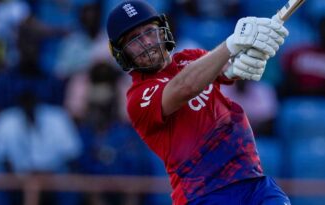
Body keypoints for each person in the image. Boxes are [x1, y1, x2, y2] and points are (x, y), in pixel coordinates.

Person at [106, 0, 289, 204]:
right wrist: (232, 44)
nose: (147, 43)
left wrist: (253, 47)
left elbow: (228, 68)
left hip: (254, 182)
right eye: (134, 40)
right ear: (122, 54)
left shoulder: (191, 57)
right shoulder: (138, 97)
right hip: (204, 194)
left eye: (149, 31)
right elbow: (185, 87)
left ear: (163, 30)